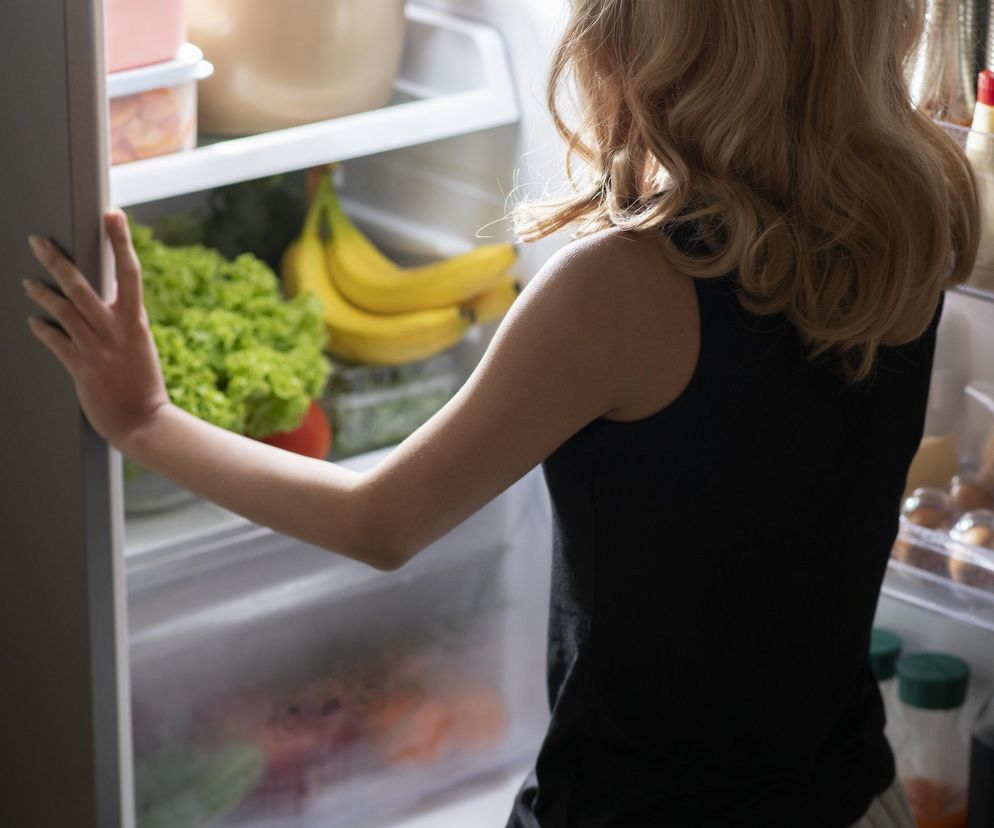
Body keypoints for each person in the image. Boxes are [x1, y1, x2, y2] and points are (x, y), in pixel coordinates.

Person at [22, 1, 978, 826]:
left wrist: (145, 420)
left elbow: (381, 521)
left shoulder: (625, 290)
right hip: (851, 796)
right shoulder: (924, 201)